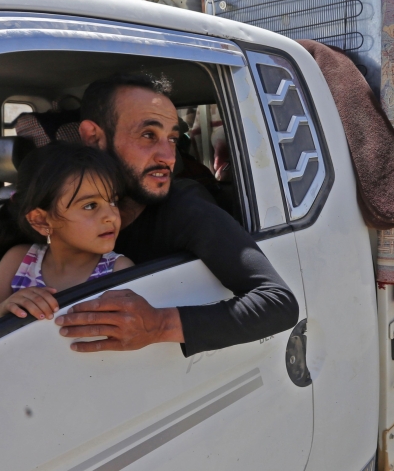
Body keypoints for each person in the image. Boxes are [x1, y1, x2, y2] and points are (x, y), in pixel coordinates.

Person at [59, 73, 299, 356]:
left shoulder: (185, 210)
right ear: (94, 137)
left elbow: (277, 303)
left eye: (172, 139)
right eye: (148, 135)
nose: (169, 157)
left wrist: (159, 324)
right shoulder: (59, 211)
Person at [0, 144, 135, 330]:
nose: (112, 216)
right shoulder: (18, 261)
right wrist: (3, 310)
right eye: (90, 206)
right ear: (41, 221)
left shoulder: (118, 270)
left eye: (113, 201)